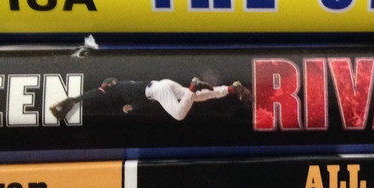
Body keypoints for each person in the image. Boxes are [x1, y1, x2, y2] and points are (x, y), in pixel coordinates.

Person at [50, 76, 251, 122]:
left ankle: (194, 84)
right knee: (198, 98)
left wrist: (76, 99)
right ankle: (232, 89)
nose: (105, 88)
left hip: (158, 91)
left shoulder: (118, 88)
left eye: (106, 86)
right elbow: (138, 101)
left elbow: (96, 92)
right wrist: (132, 107)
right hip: (163, 84)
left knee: (179, 114)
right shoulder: (127, 85)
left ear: (111, 84)